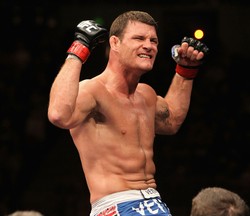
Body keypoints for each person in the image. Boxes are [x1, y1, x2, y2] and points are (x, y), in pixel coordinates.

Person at [48, 10, 209, 216]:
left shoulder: (147, 95)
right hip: (116, 204)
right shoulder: (93, 91)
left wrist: (186, 71)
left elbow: (172, 122)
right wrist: (78, 50)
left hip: (155, 202)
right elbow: (59, 114)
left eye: (153, 41)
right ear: (114, 43)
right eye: (139, 38)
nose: (149, 45)